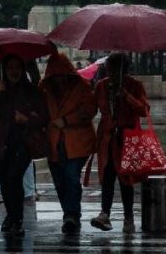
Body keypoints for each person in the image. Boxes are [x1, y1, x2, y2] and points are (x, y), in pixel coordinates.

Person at [0, 54, 49, 236]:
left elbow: (43, 116)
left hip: (24, 142)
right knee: (4, 181)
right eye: (10, 67)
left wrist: (27, 119)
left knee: (14, 178)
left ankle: (17, 218)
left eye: (17, 67)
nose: (14, 71)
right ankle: (10, 216)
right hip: (0, 142)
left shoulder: (31, 90)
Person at [91, 53, 149, 233]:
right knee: (107, 176)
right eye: (109, 70)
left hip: (127, 139)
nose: (112, 74)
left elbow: (143, 110)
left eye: (116, 70)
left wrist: (127, 97)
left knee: (126, 179)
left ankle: (128, 218)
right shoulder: (101, 86)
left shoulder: (134, 86)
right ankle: (105, 213)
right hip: (108, 138)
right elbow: (92, 108)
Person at [40, 52, 96, 234]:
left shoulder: (81, 86)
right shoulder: (44, 88)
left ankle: (71, 214)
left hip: (77, 142)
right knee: (59, 180)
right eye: (55, 76)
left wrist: (66, 120)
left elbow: (89, 110)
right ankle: (69, 213)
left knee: (71, 176)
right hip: (54, 142)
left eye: (62, 75)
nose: (59, 80)